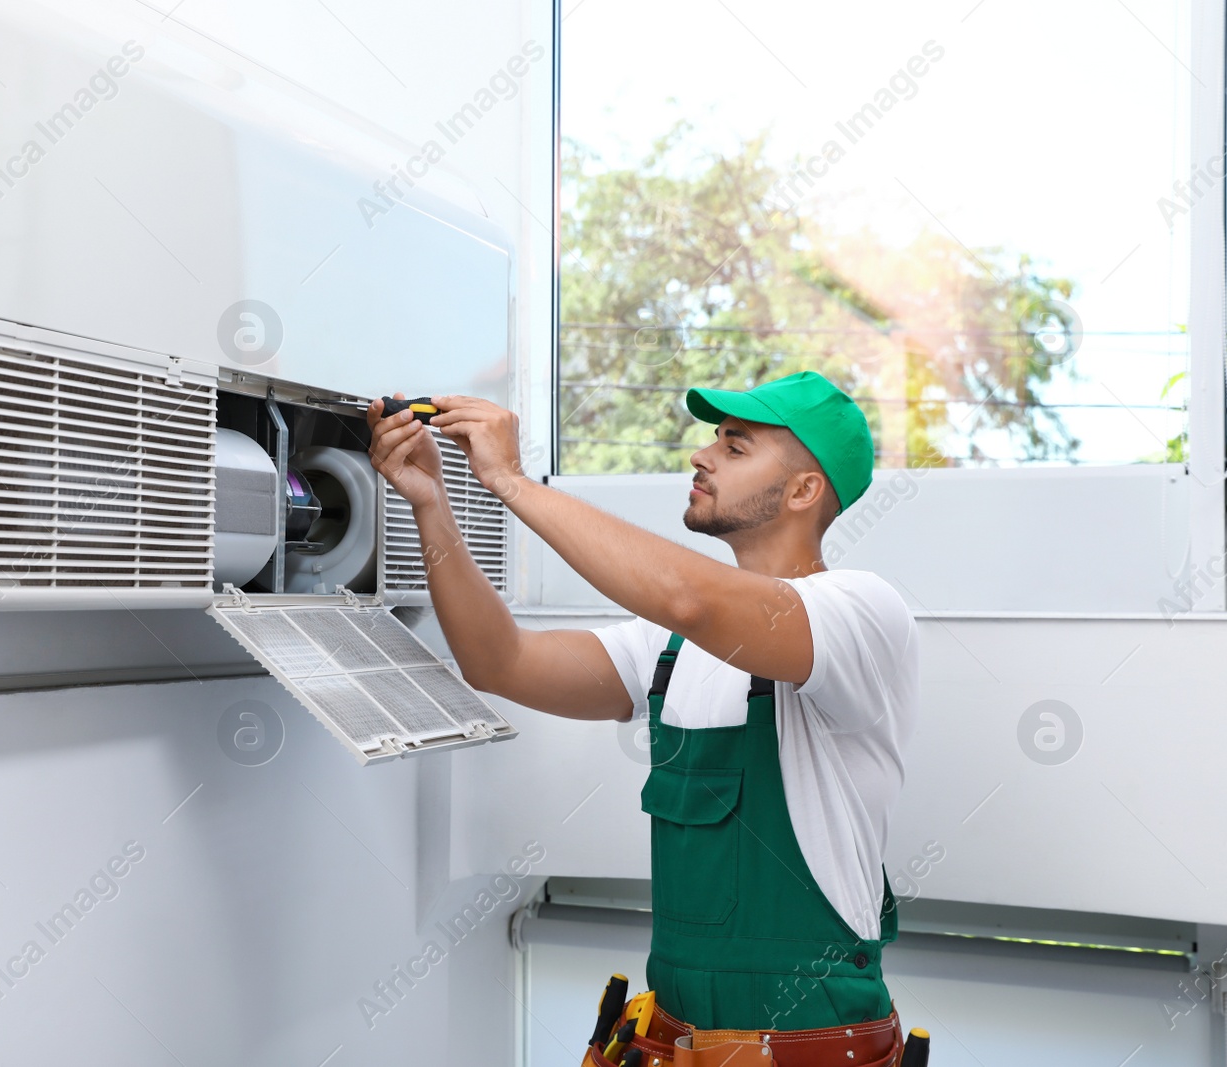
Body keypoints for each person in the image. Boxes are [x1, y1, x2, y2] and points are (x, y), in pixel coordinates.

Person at [367, 372, 920, 1055]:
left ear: (805, 490)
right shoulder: (669, 647)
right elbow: (497, 660)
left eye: (737, 447)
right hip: (678, 1039)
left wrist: (511, 480)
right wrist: (432, 505)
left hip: (812, 1041)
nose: (703, 455)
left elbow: (693, 597)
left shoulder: (860, 613)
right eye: (713, 439)